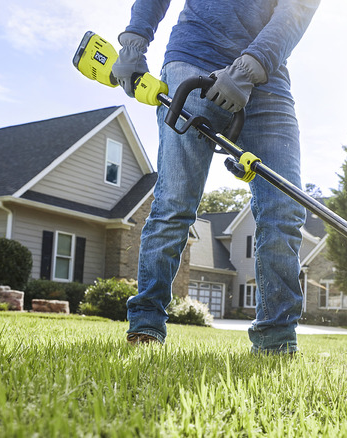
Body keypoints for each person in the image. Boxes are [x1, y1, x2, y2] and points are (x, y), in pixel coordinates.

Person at [113, 0, 320, 354]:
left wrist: (247, 69)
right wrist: (134, 42)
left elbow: (297, 8)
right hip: (195, 58)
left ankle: (276, 341)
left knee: (284, 211)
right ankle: (146, 325)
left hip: (267, 80)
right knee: (175, 203)